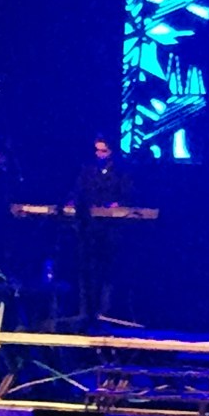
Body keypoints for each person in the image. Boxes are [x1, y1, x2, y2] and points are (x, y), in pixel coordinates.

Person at [73, 136, 134, 324]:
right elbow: (79, 191)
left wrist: (118, 203)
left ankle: (105, 311)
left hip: (112, 228)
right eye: (97, 150)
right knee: (86, 268)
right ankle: (85, 311)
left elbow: (128, 195)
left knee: (108, 269)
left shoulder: (121, 171)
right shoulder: (88, 170)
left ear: (112, 152)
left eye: (103, 151)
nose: (99, 154)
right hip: (89, 227)